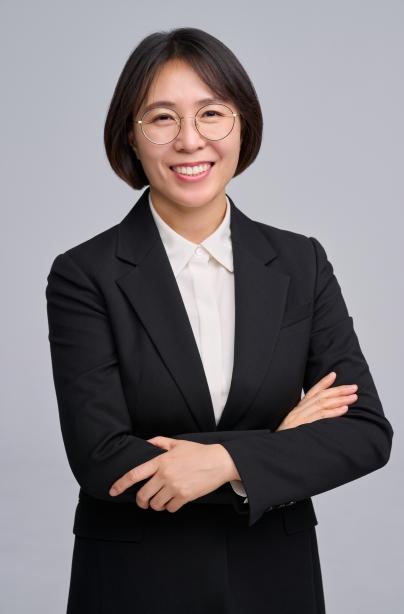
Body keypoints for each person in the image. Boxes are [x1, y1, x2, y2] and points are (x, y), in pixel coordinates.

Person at [45, 27, 394, 614]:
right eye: (162, 118)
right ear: (130, 134)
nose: (190, 140)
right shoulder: (85, 274)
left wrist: (225, 462)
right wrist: (276, 446)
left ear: (242, 125)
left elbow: (364, 432)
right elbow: (101, 457)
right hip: (136, 583)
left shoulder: (301, 263)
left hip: (275, 579)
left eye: (211, 113)